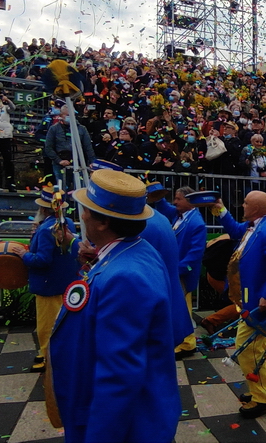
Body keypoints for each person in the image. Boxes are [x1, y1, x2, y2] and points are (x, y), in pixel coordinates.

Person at [49, 170, 180, 443]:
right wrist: (97, 262)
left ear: (104, 222)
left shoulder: (124, 276)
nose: (82, 216)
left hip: (129, 427)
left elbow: (119, 376)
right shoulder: (137, 249)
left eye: (87, 210)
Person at [213, 190, 266, 418]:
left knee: (248, 348)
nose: (242, 206)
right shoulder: (255, 225)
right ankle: (265, 390)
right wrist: (220, 209)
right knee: (257, 347)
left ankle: (264, 397)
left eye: (246, 203)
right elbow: (236, 231)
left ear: (256, 208)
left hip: (260, 301)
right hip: (251, 299)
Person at [12, 185, 79, 372]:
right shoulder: (68, 223)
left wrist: (23, 255)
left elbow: (42, 260)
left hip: (48, 285)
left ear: (43, 208)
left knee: (46, 325)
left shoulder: (45, 229)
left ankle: (46, 356)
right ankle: (57, 354)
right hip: (64, 283)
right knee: (61, 322)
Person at [158, 186, 208, 358]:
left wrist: (177, 270)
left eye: (178, 199)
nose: (175, 202)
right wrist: (157, 192)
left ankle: (186, 343)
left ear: (189, 200)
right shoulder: (179, 215)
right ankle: (184, 341)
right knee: (179, 307)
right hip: (175, 271)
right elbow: (164, 207)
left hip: (183, 274)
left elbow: (195, 254)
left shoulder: (197, 223)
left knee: (182, 308)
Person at [44, 105, 96, 190]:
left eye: (72, 115)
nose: (70, 117)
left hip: (78, 163)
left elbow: (88, 147)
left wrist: (92, 162)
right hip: (60, 164)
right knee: (62, 189)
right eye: (67, 115)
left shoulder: (82, 129)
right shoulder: (53, 129)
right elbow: (48, 147)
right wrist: (59, 160)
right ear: (61, 116)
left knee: (80, 189)